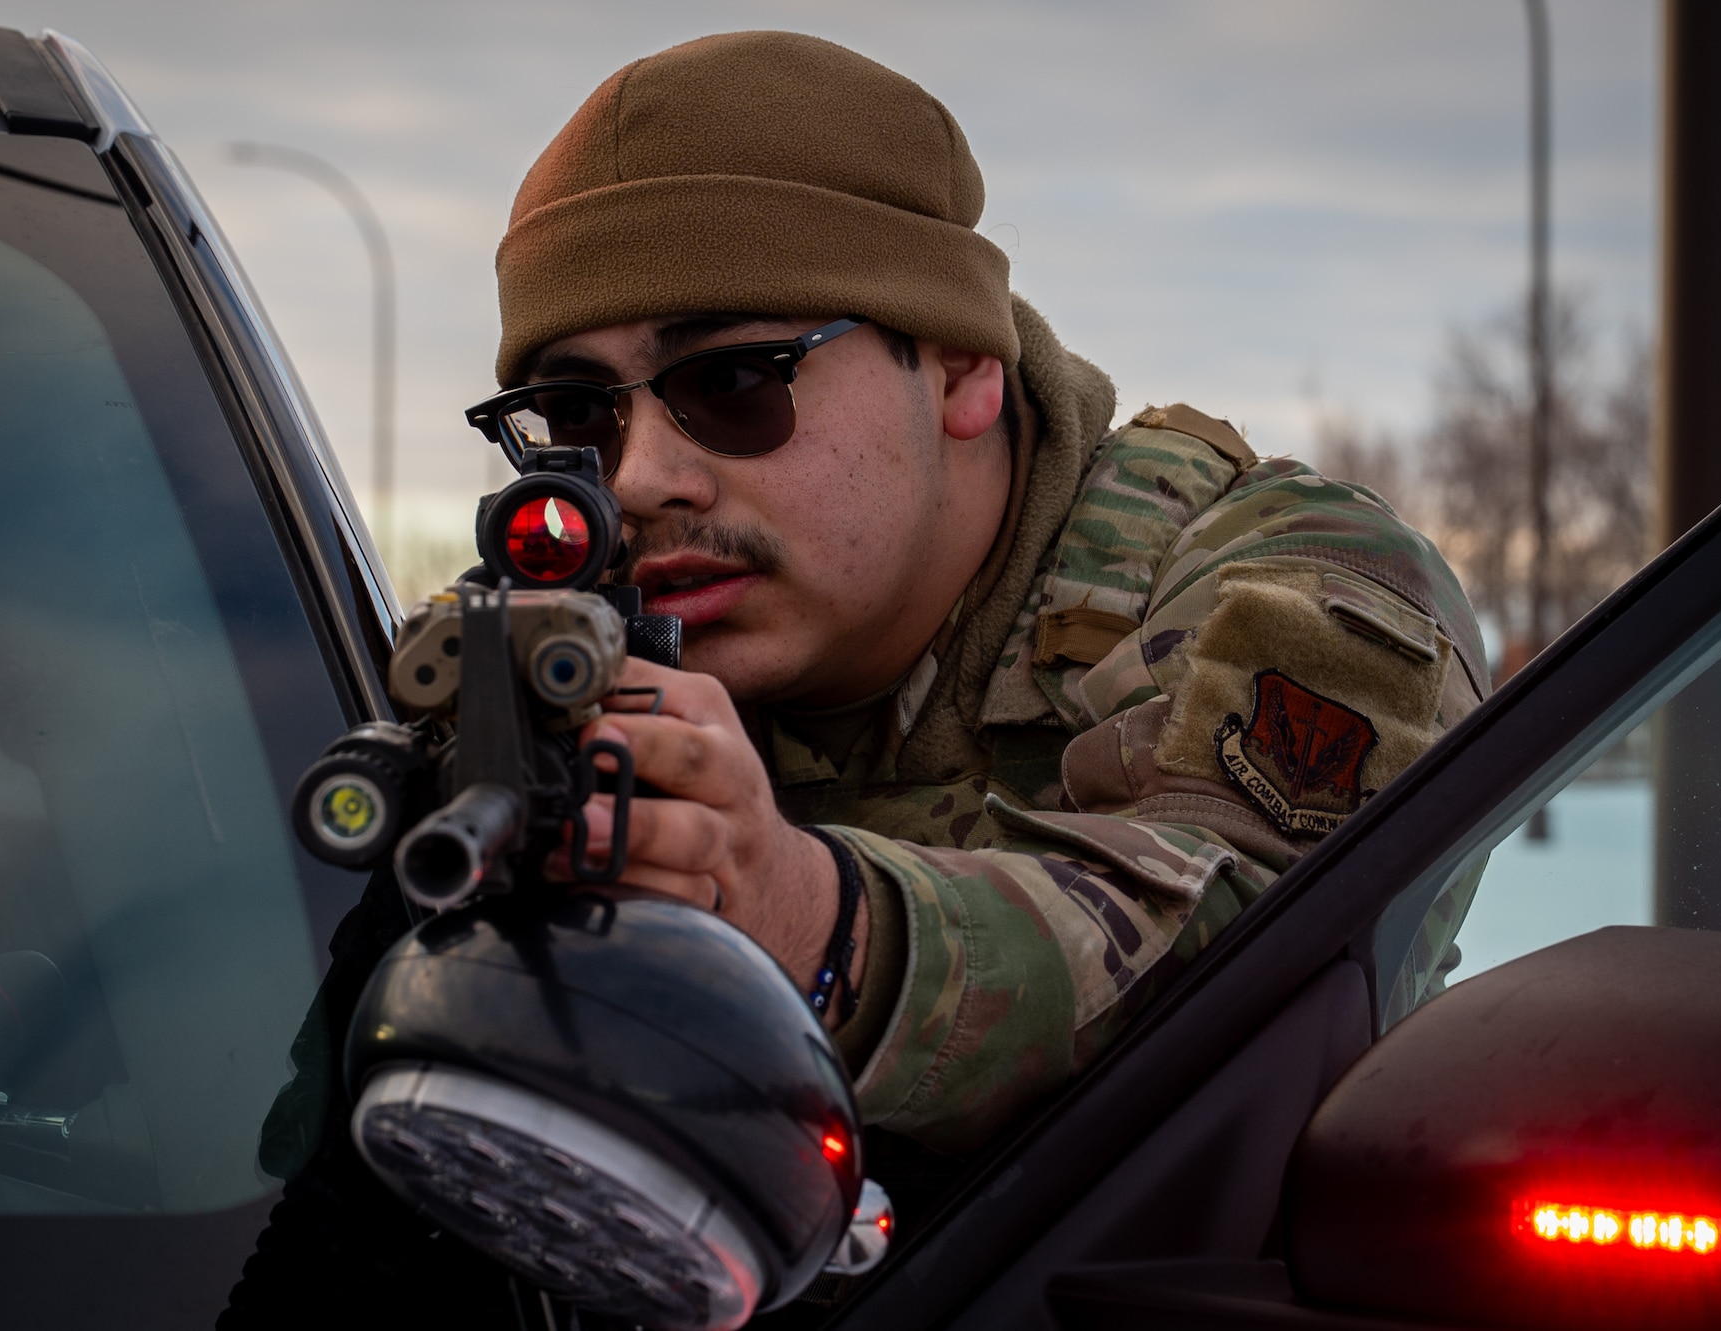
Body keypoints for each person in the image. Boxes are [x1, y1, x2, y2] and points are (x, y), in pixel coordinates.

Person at [222, 29, 1485, 1327]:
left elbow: (1234, 963)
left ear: (962, 367)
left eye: (732, 381)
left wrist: (797, 914)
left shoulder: (1288, 582)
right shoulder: (572, 644)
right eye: (582, 416)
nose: (642, 478)